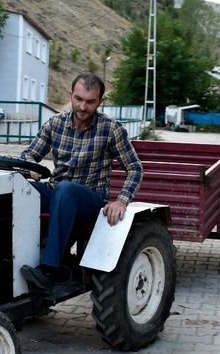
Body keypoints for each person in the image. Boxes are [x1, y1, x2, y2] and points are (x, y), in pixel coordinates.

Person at [19, 73, 143, 291]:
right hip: (56, 193)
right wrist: (30, 167)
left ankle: (50, 268)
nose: (82, 106)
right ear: (71, 95)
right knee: (17, 189)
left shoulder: (111, 129)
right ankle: (7, 259)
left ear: (100, 102)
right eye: (78, 99)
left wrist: (121, 201)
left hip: (91, 198)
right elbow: (29, 155)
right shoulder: (55, 123)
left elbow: (135, 169)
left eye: (90, 101)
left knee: (65, 189)